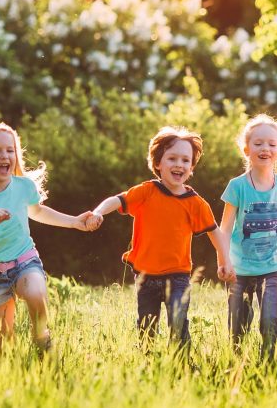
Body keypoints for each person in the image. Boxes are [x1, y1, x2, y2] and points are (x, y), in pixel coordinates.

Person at [0, 123, 96, 353]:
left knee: (35, 293)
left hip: (24, 260)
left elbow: (38, 211)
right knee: (3, 342)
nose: (5, 156)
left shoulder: (23, 186)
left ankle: (41, 337)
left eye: (10, 150)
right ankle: (14, 375)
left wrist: (74, 221)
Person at [88, 126, 223, 352]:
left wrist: (225, 261)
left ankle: (181, 365)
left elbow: (214, 230)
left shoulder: (195, 203)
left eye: (185, 160)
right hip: (145, 275)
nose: (179, 164)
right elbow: (117, 200)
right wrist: (98, 212)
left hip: (178, 275)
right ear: (158, 163)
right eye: (172, 158)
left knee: (178, 322)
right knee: (146, 326)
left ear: (191, 168)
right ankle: (149, 364)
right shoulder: (147, 191)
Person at [218, 114, 277, 360]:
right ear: (246, 149)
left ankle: (270, 364)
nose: (265, 148)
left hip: (272, 268)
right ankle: (236, 364)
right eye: (258, 143)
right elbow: (224, 229)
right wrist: (224, 260)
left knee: (269, 320)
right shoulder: (237, 186)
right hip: (239, 269)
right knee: (237, 327)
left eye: (271, 144)